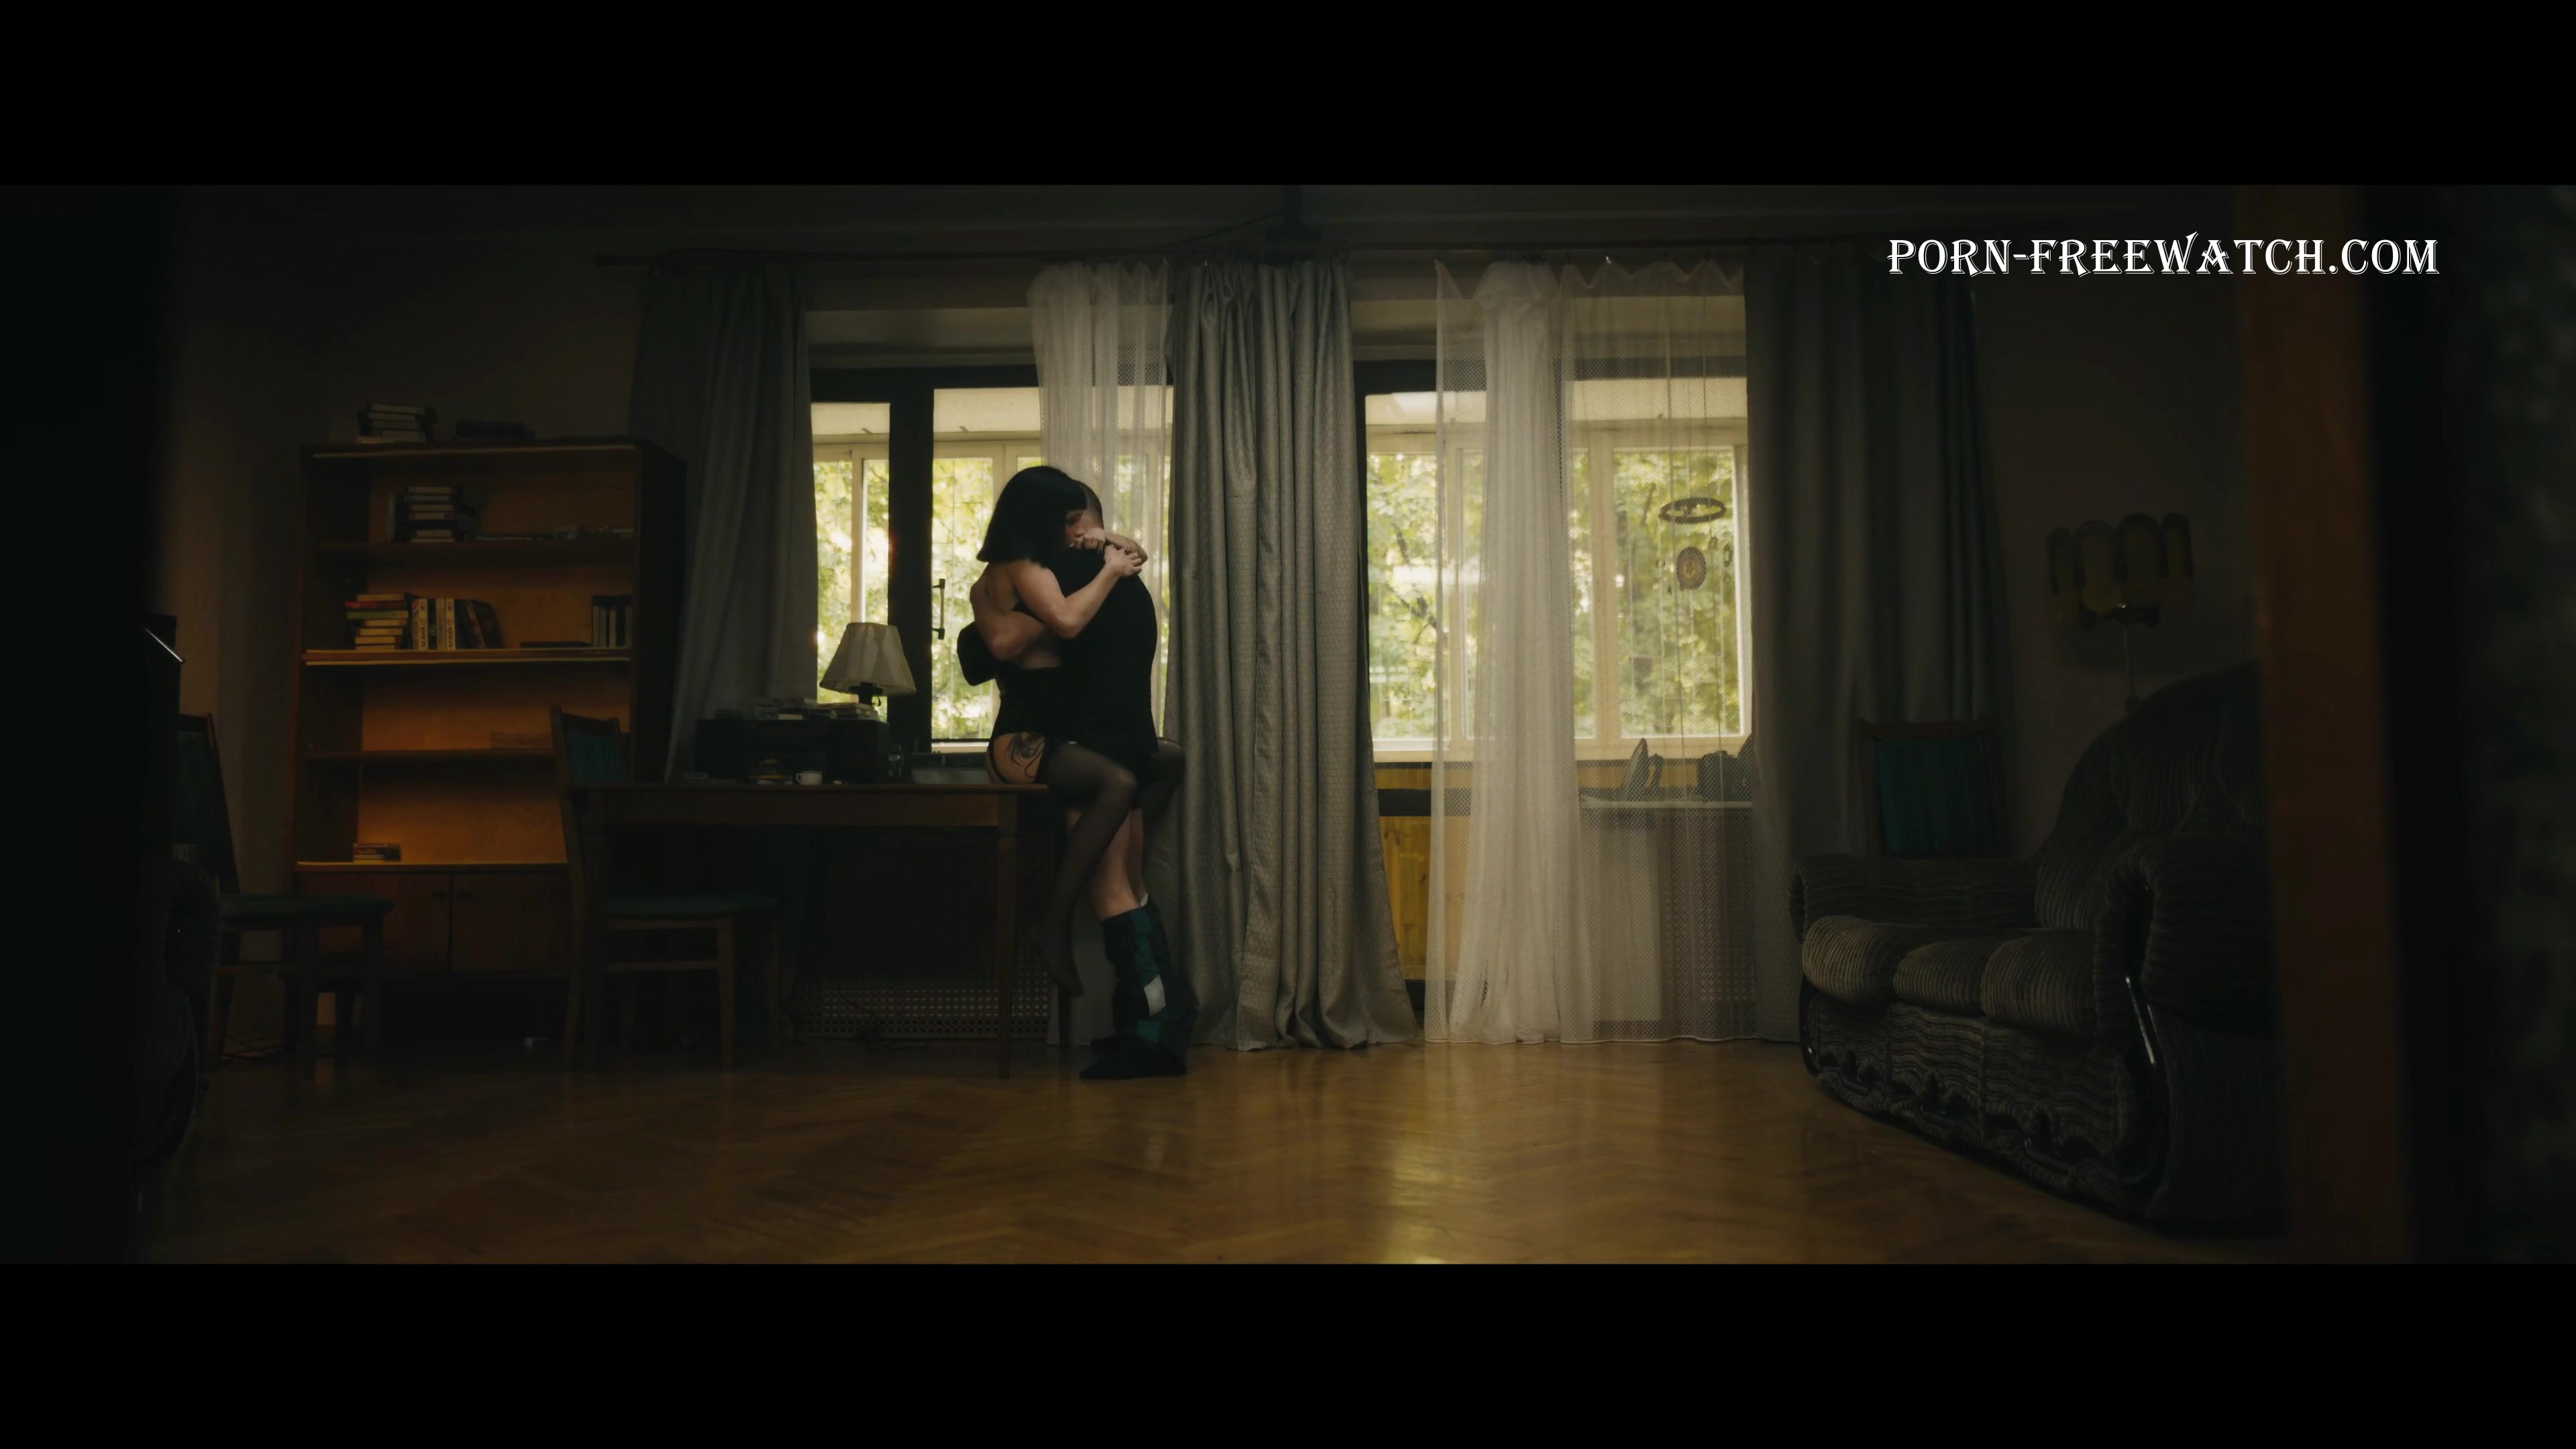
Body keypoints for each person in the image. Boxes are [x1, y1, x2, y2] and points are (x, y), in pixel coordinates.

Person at [963, 470, 1191, 1079]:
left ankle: (1157, 1024)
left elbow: (1118, 566)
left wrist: (1108, 547)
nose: (1078, 534)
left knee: (1139, 831)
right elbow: (1017, 638)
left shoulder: (1060, 571)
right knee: (1117, 824)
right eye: (1069, 523)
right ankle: (1070, 937)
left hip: (1078, 739)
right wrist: (1103, 572)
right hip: (1031, 738)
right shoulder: (1020, 572)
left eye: (1081, 524)